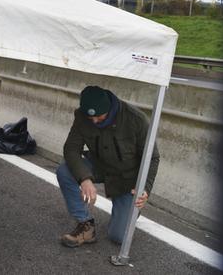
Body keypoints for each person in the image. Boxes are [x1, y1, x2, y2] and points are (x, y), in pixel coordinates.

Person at [56, 85, 159, 247]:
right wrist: (84, 179)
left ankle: (129, 209)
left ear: (110, 109)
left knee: (118, 237)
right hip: (99, 166)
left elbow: (152, 158)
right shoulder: (82, 117)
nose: (95, 121)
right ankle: (85, 225)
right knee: (64, 171)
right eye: (91, 118)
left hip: (127, 178)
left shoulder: (136, 119)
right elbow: (71, 149)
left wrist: (144, 188)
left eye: (100, 117)